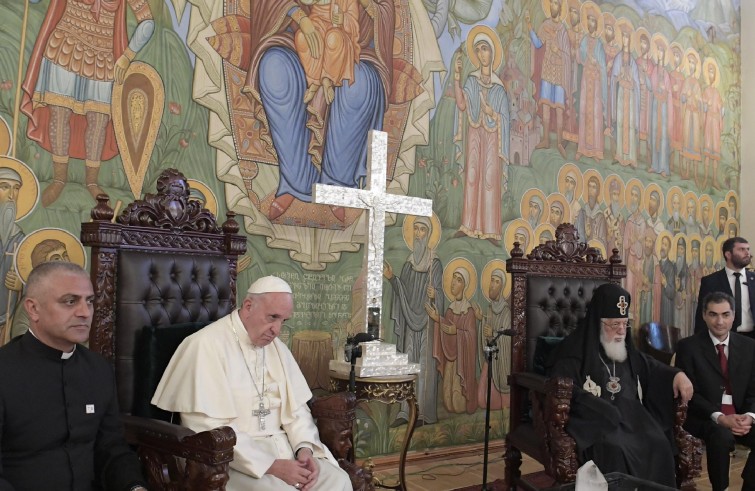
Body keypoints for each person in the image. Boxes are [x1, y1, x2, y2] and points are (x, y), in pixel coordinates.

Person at [152, 276, 350, 491]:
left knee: (338, 481)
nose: (277, 330)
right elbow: (207, 429)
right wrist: (272, 466)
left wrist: (304, 450)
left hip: (285, 451)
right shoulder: (204, 346)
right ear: (248, 307)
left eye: (283, 321)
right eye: (272, 317)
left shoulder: (277, 349)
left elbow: (297, 410)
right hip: (230, 462)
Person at [0, 261, 146, 490]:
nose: (85, 312)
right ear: (33, 309)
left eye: (89, 301)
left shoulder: (98, 368)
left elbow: (111, 448)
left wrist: (134, 486)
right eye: (70, 301)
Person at [549, 283, 693, 486]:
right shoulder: (573, 353)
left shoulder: (626, 350)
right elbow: (565, 390)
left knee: (658, 442)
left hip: (633, 418)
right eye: (613, 324)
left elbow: (652, 367)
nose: (621, 331)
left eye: (624, 324)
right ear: (598, 323)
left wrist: (678, 375)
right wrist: (602, 409)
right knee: (617, 449)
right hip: (596, 422)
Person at [21, 0, 154, 206]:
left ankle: (92, 182)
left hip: (104, 57)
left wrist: (127, 56)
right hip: (65, 46)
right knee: (60, 113)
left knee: (99, 120)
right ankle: (59, 179)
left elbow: (147, 22)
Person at [676, 291, 755, 491]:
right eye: (713, 314)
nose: (720, 321)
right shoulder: (688, 347)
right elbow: (690, 395)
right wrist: (719, 417)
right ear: (704, 315)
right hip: (705, 416)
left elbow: (754, 389)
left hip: (740, 415)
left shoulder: (750, 346)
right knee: (720, 437)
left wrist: (749, 416)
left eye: (725, 314)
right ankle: (721, 489)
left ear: (733, 315)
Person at [452, 26, 510, 245]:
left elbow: (505, 119)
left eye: (485, 49)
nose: (482, 54)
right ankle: (468, 225)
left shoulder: (499, 88)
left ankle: (490, 230)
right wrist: (457, 78)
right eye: (478, 50)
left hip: (493, 139)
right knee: (473, 175)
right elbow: (461, 104)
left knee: (489, 180)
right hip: (476, 135)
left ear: (492, 54)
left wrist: (491, 113)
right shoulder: (471, 81)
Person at [384, 216, 442, 427]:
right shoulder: (408, 265)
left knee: (425, 366)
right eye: (415, 229)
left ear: (428, 235)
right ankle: (404, 411)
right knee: (408, 363)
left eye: (422, 230)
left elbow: (440, 295)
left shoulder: (434, 263)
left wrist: (435, 295)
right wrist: (392, 278)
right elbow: (403, 293)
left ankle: (424, 413)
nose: (418, 234)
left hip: (427, 321)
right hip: (410, 321)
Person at [294, 0, 360, 105]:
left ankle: (327, 79)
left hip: (337, 30)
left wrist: (344, 19)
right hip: (315, 23)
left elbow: (354, 22)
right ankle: (314, 81)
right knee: (302, 38)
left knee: (333, 38)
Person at [695, 237, 755, 337]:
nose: (747, 253)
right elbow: (702, 315)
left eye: (748, 249)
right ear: (728, 254)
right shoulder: (710, 281)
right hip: (724, 338)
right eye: (741, 249)